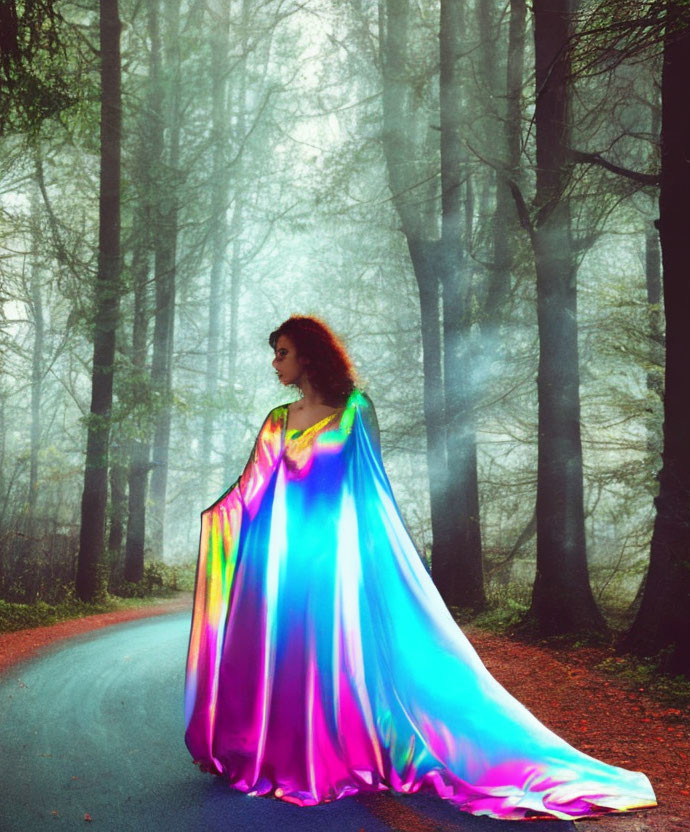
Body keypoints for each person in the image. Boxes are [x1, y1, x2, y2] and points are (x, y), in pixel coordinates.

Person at [184, 314, 658, 821]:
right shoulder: (279, 420)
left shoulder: (355, 411)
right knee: (296, 654)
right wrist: (217, 519)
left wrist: (377, 557)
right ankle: (292, 754)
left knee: (340, 655)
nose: (275, 363)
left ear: (309, 355)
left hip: (338, 557)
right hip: (291, 559)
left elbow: (373, 487)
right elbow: (253, 487)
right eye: (275, 353)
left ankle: (342, 752)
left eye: (282, 352)